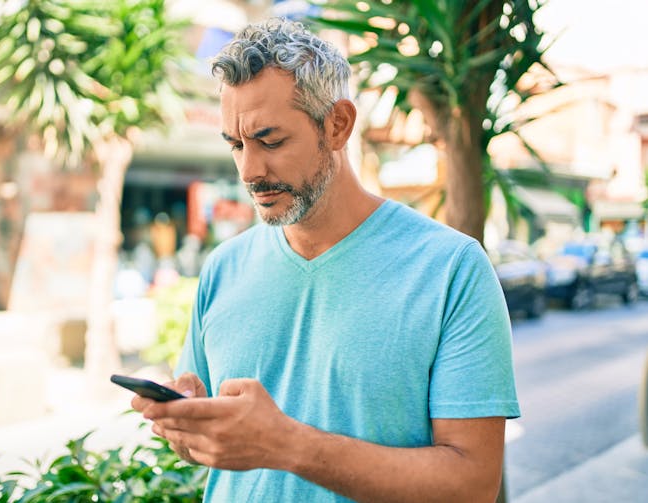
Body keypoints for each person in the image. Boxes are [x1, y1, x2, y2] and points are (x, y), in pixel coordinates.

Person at [131, 17, 519, 503]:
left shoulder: (451, 269)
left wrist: (286, 445)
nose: (249, 170)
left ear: (337, 125)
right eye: (236, 145)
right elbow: (219, 451)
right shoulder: (222, 267)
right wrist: (188, 426)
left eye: (270, 140)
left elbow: (474, 485)